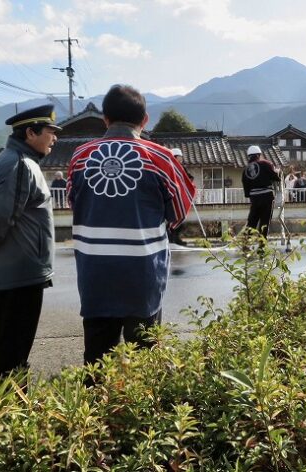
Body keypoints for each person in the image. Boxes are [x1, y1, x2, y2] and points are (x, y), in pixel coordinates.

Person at [67, 84, 196, 365]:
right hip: (143, 273)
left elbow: (75, 205)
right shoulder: (161, 158)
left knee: (98, 361)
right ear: (144, 120)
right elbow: (178, 213)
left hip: (95, 273)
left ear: (105, 119)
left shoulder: (80, 156)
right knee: (145, 360)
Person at [0, 105, 60, 389]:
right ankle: (11, 403)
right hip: (19, 271)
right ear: (31, 133)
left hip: (14, 268)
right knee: (13, 346)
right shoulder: (20, 164)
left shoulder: (13, 159)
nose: (54, 138)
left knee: (6, 340)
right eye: (50, 131)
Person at [242, 145, 281, 240]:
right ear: (258, 155)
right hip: (267, 197)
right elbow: (276, 177)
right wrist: (277, 171)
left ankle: (245, 244)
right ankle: (262, 245)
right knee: (264, 222)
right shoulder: (266, 163)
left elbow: (246, 190)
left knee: (252, 221)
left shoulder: (246, 170)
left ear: (249, 156)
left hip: (254, 199)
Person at [167, 147, 194, 246]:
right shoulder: (169, 166)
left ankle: (176, 239)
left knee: (181, 219)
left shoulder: (182, 168)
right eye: (180, 157)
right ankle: (170, 239)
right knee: (173, 218)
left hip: (180, 196)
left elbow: (189, 177)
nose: (181, 159)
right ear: (175, 157)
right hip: (172, 196)